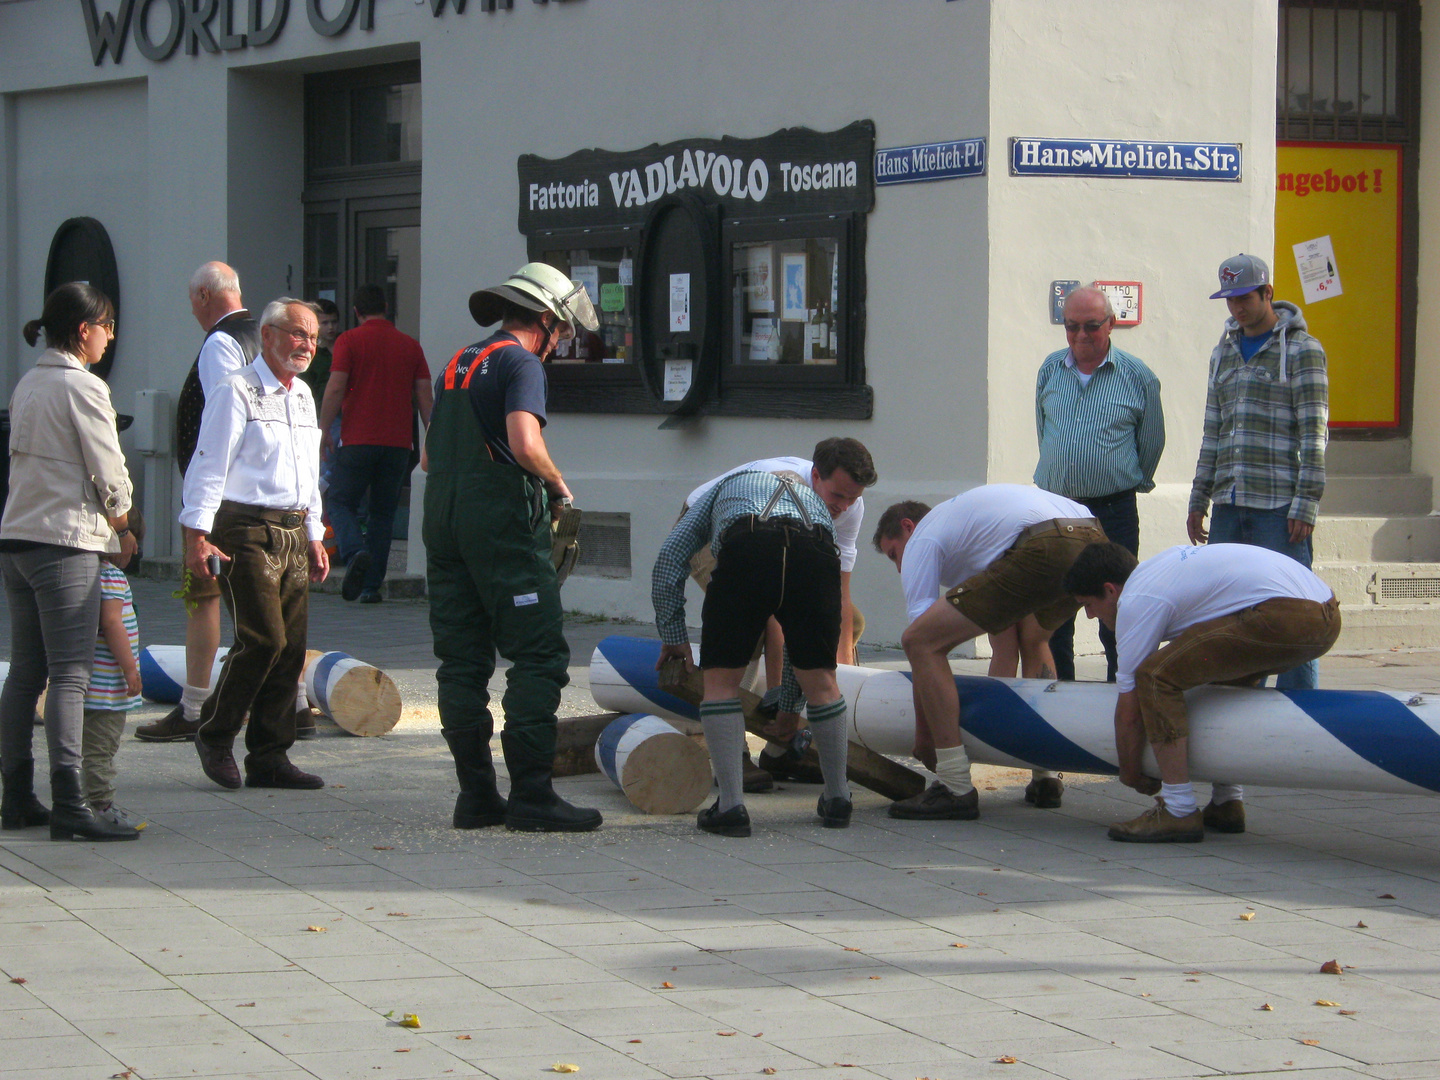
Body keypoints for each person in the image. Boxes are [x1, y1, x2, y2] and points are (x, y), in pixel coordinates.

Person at [424, 262, 602, 833]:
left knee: (462, 660)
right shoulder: (520, 361)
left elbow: (428, 457)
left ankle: (475, 796)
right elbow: (526, 442)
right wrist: (557, 483)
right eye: (565, 332)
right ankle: (531, 795)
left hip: (443, 517)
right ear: (547, 321)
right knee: (539, 655)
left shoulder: (459, 359)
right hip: (498, 522)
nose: (561, 345)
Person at [1064, 540, 1341, 843]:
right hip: (1325, 612)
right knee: (1219, 684)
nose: (1090, 616)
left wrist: (1129, 772)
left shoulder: (1136, 600)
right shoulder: (1161, 572)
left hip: (1287, 615)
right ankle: (1226, 802)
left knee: (1156, 677)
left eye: (1088, 604)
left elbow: (1129, 709)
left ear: (1111, 590)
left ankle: (1179, 809)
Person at [872, 484, 1106, 820]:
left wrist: (925, 735)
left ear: (908, 526)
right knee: (1035, 638)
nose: (898, 568)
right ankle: (1046, 775)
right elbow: (1003, 643)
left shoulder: (924, 536)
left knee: (920, 641)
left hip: (1045, 544)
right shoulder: (972, 537)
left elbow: (921, 643)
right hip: (1091, 534)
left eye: (894, 554)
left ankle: (954, 786)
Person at [0, 282, 139, 841]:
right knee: (72, 673)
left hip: (17, 538)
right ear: (85, 331)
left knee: (26, 671)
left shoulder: (28, 382)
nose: (110, 337)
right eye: (106, 326)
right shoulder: (83, 387)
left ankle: (15, 795)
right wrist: (125, 524)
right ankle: (71, 803)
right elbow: (108, 470)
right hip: (64, 541)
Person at [180, 298, 329, 792]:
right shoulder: (236, 389)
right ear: (266, 335)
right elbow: (208, 463)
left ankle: (269, 755)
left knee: (292, 649)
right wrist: (196, 535)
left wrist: (314, 534)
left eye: (313, 336)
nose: (307, 344)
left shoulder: (304, 395)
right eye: (297, 334)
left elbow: (309, 474)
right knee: (264, 639)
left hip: (291, 529)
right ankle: (215, 735)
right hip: (242, 528)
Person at [654, 470, 851, 837]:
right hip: (817, 548)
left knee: (721, 683)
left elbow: (669, 560)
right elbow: (796, 638)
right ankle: (838, 799)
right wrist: (790, 706)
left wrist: (675, 636)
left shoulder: (721, 488)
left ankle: (730, 806)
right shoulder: (815, 504)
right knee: (822, 681)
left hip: (749, 542)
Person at [683, 439, 876, 786]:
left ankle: (778, 754)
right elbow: (775, 611)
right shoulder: (781, 487)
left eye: (853, 498)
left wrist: (842, 675)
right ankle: (736, 754)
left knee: (847, 620)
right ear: (815, 477)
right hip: (715, 525)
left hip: (779, 537)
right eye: (838, 497)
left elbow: (837, 594)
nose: (845, 508)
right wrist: (783, 710)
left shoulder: (847, 506)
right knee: (751, 625)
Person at [1188, 253, 1329, 690]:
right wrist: (1198, 498)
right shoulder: (1222, 352)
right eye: (1229, 300)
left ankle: (1302, 717)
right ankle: (1236, 712)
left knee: (1292, 615)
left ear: (1267, 293)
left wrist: (1305, 503)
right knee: (1228, 614)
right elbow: (1213, 430)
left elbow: (1315, 433)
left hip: (1279, 508)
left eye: (1244, 298)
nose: (1236, 308)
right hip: (1229, 504)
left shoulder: (1304, 351)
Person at [137, 262, 262, 743]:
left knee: (204, 598)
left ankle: (193, 707)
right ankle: (290, 702)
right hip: (256, 492)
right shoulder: (264, 336)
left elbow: (221, 425)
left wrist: (201, 511)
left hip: (220, 497)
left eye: (192, 301)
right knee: (263, 607)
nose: (193, 310)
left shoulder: (220, 343)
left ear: (206, 296)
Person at [1035, 285, 1164, 682]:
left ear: (1111, 324)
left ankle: (1120, 693)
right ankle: (1061, 695)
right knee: (1056, 611)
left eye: (1091, 326)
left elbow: (1152, 442)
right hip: (1057, 509)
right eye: (1071, 327)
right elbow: (1044, 431)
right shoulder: (1050, 370)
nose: (1080, 336)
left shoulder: (1137, 376)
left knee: (1117, 610)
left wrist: (1123, 480)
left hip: (1113, 511)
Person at [318, 284, 432, 603]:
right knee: (383, 513)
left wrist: (324, 429)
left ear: (356, 312)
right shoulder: (410, 346)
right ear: (386, 307)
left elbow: (336, 388)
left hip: (358, 438)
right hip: (398, 443)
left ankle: (354, 553)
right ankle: (371, 586)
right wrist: (430, 438)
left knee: (341, 501)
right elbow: (425, 396)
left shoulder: (349, 341)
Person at [84, 508, 147, 830]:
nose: (135, 549)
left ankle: (78, 800)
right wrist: (130, 670)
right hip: (105, 689)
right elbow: (111, 624)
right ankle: (100, 805)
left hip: (85, 684)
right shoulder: (109, 575)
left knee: (80, 748)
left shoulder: (81, 573)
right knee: (101, 750)